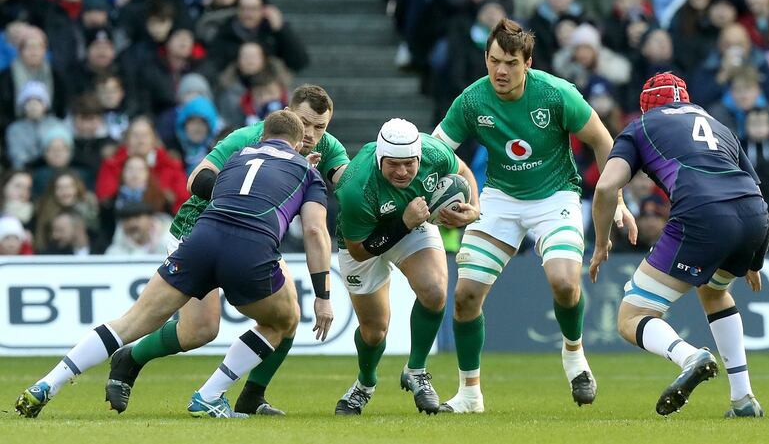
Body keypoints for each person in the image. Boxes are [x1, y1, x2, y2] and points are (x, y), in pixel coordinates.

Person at [16, 110, 335, 419]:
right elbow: (314, 231)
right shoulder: (308, 172)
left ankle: (46, 383)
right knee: (284, 320)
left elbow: (202, 182)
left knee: (132, 321)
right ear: (295, 144)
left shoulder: (238, 156)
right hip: (249, 251)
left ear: (263, 136)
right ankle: (209, 396)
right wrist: (323, 296)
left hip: (200, 239)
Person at [431, 18, 636, 413]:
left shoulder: (557, 94)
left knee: (563, 282)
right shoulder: (472, 100)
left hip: (555, 196)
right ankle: (470, 394)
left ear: (528, 62)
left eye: (510, 62)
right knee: (465, 296)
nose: (500, 71)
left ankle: (574, 355)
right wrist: (436, 200)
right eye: (493, 61)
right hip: (499, 200)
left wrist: (619, 200)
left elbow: (602, 141)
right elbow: (436, 151)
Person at [105, 84, 348, 416]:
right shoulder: (248, 137)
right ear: (288, 114)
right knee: (199, 331)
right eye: (305, 124)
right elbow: (196, 180)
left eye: (320, 127)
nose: (311, 134)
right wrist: (257, 187)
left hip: (255, 242)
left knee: (288, 315)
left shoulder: (327, 147)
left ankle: (252, 395)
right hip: (199, 231)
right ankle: (130, 358)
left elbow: (347, 184)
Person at [589, 72, 769, 418]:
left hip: (702, 215)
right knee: (715, 292)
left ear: (645, 104)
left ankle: (690, 356)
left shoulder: (641, 126)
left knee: (633, 315)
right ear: (684, 100)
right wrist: (755, 260)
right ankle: (744, 400)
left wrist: (600, 244)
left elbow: (605, 188)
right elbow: (752, 186)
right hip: (754, 216)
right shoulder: (718, 124)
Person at [333, 118, 480, 415]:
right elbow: (360, 251)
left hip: (413, 222)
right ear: (379, 159)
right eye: (393, 165)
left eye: (409, 164)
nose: (402, 172)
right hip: (366, 237)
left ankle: (416, 370)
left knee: (435, 291)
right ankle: (365, 384)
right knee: (374, 331)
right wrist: (403, 223)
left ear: (419, 157)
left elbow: (463, 172)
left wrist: (473, 209)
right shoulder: (355, 188)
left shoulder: (434, 153)